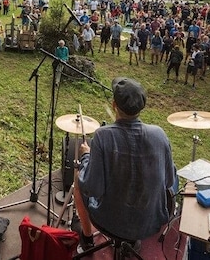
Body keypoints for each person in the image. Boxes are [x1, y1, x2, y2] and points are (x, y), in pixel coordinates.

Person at [74, 77, 178, 249]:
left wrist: (86, 156)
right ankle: (132, 238)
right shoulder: (159, 135)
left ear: (114, 104)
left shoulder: (102, 136)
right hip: (150, 222)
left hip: (109, 222)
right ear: (141, 106)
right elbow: (169, 182)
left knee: (78, 178)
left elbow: (92, 187)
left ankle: (87, 238)